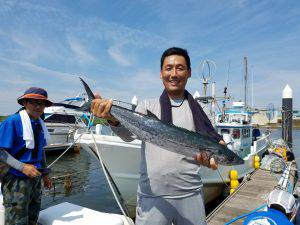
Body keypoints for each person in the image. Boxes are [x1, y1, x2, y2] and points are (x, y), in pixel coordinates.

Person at [91, 47, 225, 225]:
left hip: (190, 194)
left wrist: (211, 158)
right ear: (161, 73)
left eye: (180, 68)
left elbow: (211, 144)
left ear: (189, 73)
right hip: (151, 196)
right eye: (169, 68)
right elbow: (129, 136)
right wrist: (112, 119)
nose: (174, 74)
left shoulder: (202, 112)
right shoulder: (147, 106)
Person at [0, 87, 52, 225]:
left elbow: (40, 151)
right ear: (24, 103)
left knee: (33, 216)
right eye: (33, 102)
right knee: (16, 220)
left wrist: (45, 174)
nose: (38, 106)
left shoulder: (40, 124)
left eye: (42, 104)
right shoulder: (12, 122)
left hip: (35, 178)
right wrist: (22, 167)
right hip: (16, 179)